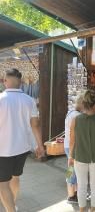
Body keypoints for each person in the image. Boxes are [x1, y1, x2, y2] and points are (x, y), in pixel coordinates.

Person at [0, 68, 45, 212]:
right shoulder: (29, 100)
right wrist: (40, 146)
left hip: (3, 149)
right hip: (22, 149)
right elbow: (35, 124)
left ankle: (11, 209)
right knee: (15, 177)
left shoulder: (1, 99)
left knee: (2, 184)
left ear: (5, 81)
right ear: (20, 83)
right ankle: (12, 204)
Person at [69, 90, 95, 212]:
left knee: (82, 185)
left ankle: (82, 210)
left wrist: (71, 157)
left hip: (79, 156)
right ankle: (93, 209)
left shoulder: (75, 120)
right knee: (94, 184)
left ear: (84, 103)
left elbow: (72, 141)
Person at [64, 96, 84, 204]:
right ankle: (71, 196)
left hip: (68, 145)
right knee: (73, 170)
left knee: (71, 169)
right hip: (73, 147)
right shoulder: (78, 116)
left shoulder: (70, 112)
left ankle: (72, 193)